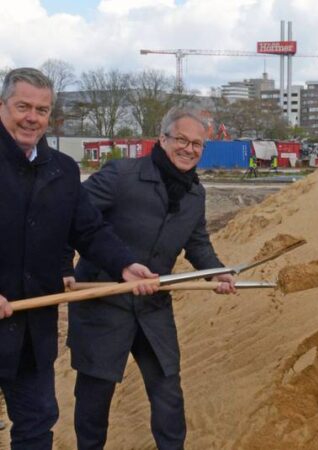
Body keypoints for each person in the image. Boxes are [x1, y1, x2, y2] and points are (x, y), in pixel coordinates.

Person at [0, 67, 157, 449]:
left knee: (36, 425)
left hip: (31, 333)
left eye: (41, 110)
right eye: (23, 107)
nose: (32, 118)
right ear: (2, 106)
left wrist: (124, 264)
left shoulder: (63, 170)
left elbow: (89, 230)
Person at [63, 106, 237, 450]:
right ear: (162, 138)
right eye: (181, 140)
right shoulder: (121, 175)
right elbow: (72, 215)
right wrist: (62, 264)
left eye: (197, 144)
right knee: (95, 398)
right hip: (103, 302)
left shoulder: (195, 195)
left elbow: (197, 242)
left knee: (168, 392)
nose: (189, 149)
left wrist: (216, 272)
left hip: (153, 307)